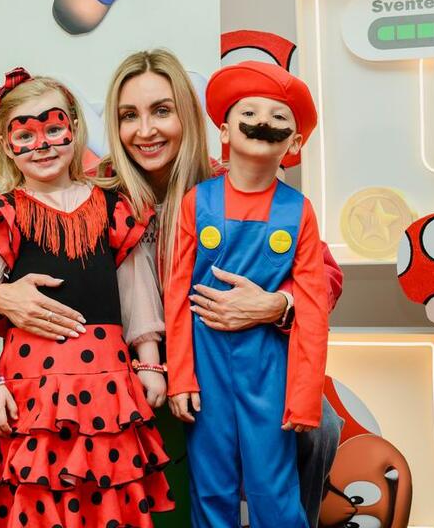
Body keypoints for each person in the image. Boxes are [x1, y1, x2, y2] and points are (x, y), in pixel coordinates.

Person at [0, 50, 344, 527]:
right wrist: (0, 293)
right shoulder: (93, 193)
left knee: (321, 425)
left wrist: (277, 304)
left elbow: (324, 274)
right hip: (127, 365)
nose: (146, 130)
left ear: (190, 116)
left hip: (238, 355)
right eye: (128, 116)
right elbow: (16, 248)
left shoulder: (229, 180)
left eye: (161, 111)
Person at [0, 67, 174, 528]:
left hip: (106, 383)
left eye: (53, 128)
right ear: (6, 144)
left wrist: (148, 361)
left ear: (75, 128)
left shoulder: (114, 205)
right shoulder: (0, 213)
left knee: (102, 496)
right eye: (25, 134)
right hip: (31, 386)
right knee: (39, 497)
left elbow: (136, 288)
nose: (42, 144)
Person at [165, 60, 329, 527]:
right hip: (206, 367)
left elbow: (313, 308)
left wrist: (304, 398)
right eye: (250, 112)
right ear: (224, 131)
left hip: (269, 369)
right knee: (211, 485)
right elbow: (176, 294)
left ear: (294, 143)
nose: (264, 122)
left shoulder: (300, 211)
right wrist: (181, 378)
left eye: (279, 117)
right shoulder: (197, 202)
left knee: (273, 489)